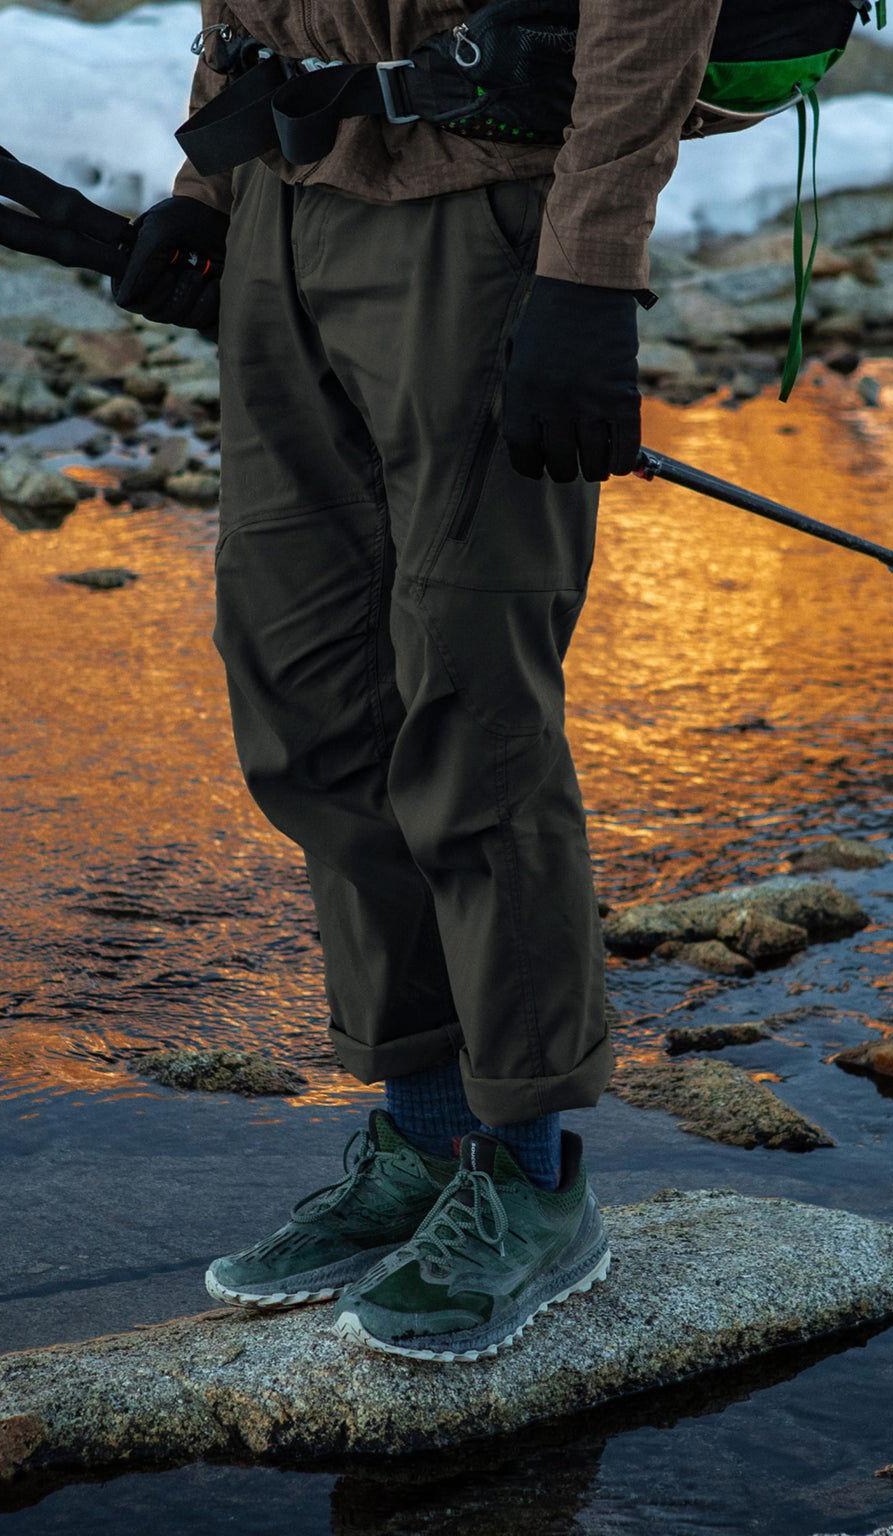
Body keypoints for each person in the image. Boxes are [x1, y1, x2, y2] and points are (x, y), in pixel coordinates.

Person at [114, 0, 723, 1364]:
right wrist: (209, 183)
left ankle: (532, 1177)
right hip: (284, 208)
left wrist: (589, 270)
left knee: (470, 710)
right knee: (307, 701)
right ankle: (431, 1134)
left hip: (484, 211)